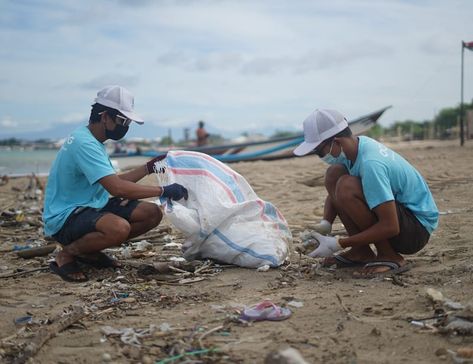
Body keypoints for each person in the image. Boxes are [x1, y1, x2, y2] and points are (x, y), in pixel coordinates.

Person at [43, 85, 188, 282]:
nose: (126, 126)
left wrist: (149, 168)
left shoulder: (93, 140)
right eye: (122, 120)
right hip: (66, 216)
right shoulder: (84, 143)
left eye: (128, 121)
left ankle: (89, 251)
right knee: (118, 228)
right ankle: (67, 254)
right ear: (104, 116)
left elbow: (114, 181)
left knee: (151, 214)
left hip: (91, 206)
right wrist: (163, 190)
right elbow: (117, 189)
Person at [293, 109, 438, 277]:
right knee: (334, 174)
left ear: (337, 142)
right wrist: (326, 223)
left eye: (319, 151)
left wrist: (339, 243)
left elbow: (390, 226)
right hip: (402, 220)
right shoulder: (355, 148)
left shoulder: (371, 163)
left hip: (416, 230)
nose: (320, 156)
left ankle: (390, 256)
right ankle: (360, 251)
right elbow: (334, 194)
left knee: (346, 186)